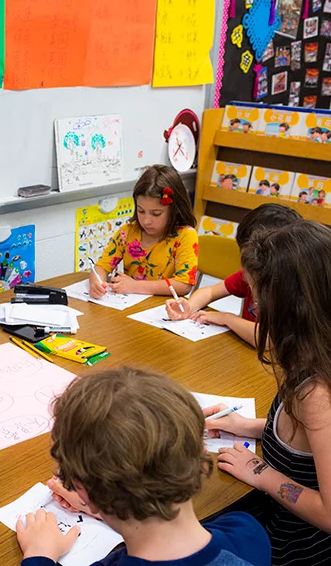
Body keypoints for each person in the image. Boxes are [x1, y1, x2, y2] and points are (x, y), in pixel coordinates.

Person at [16, 368, 270, 566]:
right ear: (201, 456)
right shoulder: (247, 532)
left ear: (84, 492)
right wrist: (104, 505)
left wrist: (39, 555)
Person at [203, 221, 331, 565]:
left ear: (292, 311)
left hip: (297, 548)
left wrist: (261, 472)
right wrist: (247, 426)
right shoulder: (307, 354)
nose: (256, 312)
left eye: (258, 305)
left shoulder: (316, 394)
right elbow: (305, 443)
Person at [166, 204, 301, 346]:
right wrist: (189, 307)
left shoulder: (287, 289)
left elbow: (268, 340)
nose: (245, 264)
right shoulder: (248, 274)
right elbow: (210, 291)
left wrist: (227, 318)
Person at [91, 164, 198, 298]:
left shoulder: (185, 235)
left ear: (175, 210)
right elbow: (101, 266)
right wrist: (97, 282)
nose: (146, 220)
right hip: (128, 308)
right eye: (141, 211)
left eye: (156, 213)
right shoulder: (128, 232)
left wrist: (135, 286)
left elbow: (184, 285)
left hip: (163, 309)